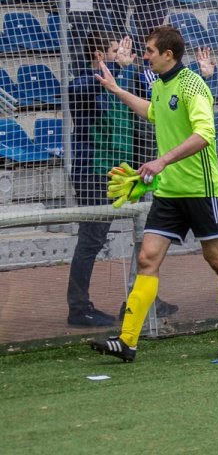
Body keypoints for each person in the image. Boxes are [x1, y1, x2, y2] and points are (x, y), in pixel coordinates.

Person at [89, 26, 218, 362]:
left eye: (149, 51)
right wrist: (117, 89)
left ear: (168, 54)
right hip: (168, 192)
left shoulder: (193, 85)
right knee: (147, 258)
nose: (144, 55)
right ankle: (127, 341)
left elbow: (205, 134)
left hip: (202, 190)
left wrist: (162, 161)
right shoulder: (160, 85)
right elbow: (152, 112)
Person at [66, 31, 138, 327]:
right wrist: (116, 67)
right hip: (94, 173)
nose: (121, 54)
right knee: (91, 240)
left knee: (146, 228)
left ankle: (139, 298)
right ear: (98, 55)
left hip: (122, 173)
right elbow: (84, 87)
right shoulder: (82, 83)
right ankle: (78, 308)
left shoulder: (119, 84)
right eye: (114, 50)